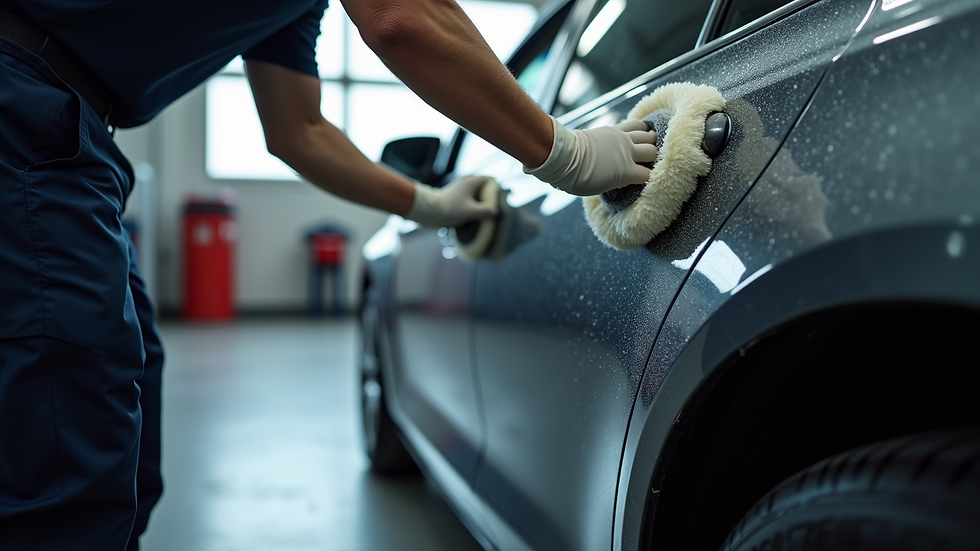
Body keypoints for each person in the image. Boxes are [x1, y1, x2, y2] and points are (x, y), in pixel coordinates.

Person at [0, 0, 657, 549]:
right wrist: (565, 151)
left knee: (117, 409)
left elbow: (298, 129)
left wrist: (430, 203)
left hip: (63, 133)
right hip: (24, 109)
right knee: (64, 464)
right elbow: (404, 16)